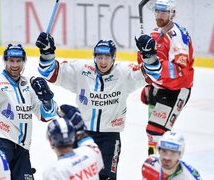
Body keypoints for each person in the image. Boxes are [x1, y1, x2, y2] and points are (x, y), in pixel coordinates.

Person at [35, 32, 162, 179]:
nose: (103, 61)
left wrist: (149, 56)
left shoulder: (123, 73)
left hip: (110, 137)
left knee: (107, 177)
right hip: (82, 135)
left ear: (113, 57)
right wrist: (47, 53)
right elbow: (49, 72)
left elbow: (153, 74)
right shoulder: (81, 70)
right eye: (99, 57)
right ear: (94, 57)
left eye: (107, 57)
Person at [0, 44, 57, 180]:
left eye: (18, 61)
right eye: (11, 61)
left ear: (23, 62)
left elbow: (46, 115)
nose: (15, 65)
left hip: (22, 149)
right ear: (5, 61)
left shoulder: (28, 85)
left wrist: (47, 100)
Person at [136, 0, 194, 156]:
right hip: (159, 87)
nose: (159, 16)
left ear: (172, 14)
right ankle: (154, 165)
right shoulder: (155, 33)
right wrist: (149, 82)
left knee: (156, 131)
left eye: (164, 12)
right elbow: (146, 63)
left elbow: (179, 70)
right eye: (157, 12)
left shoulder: (177, 37)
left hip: (176, 90)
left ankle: (160, 168)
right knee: (152, 134)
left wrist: (153, 63)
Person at [43, 104, 104, 180]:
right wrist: (79, 125)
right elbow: (85, 138)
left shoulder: (53, 173)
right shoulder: (91, 152)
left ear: (50, 141)